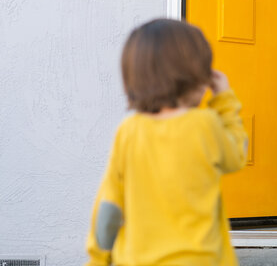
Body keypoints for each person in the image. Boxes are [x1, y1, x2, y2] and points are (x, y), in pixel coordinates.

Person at [85, 19, 247, 265]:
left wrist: (98, 259)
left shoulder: (128, 131)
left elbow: (109, 208)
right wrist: (224, 99)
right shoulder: (205, 125)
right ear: (197, 77)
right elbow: (237, 155)